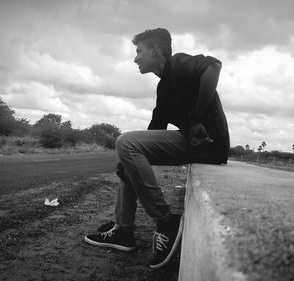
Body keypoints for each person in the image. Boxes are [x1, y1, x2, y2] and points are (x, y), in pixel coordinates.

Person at [84, 28, 230, 269]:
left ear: (154, 50)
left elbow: (213, 67)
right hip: (190, 144)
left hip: (209, 144)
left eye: (139, 51)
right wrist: (126, 162)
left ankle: (166, 222)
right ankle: (124, 231)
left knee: (126, 142)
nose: (135, 58)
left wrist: (196, 118)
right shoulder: (164, 89)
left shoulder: (179, 63)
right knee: (128, 158)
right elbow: (154, 132)